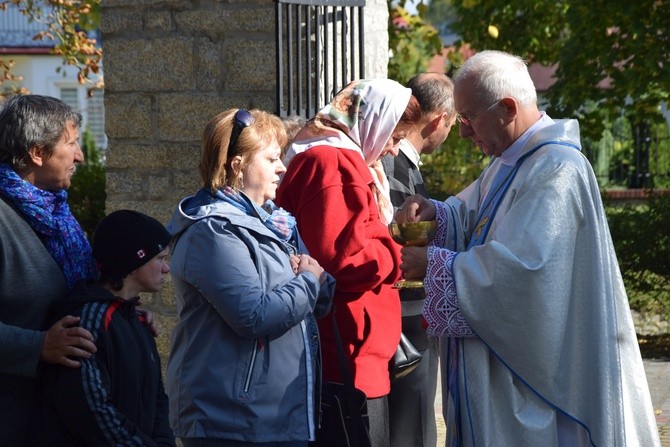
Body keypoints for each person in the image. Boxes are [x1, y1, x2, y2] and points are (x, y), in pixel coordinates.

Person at [395, 50, 660, 446]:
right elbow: (476, 218)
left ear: (506, 108)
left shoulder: (558, 169)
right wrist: (438, 213)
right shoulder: (510, 160)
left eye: (468, 118)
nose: (464, 132)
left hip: (532, 380)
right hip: (500, 365)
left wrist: (435, 266)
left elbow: (526, 275)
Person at [167, 108, 335, 447]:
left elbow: (318, 296)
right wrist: (309, 281)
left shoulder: (278, 223)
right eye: (272, 158)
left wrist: (317, 280)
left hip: (275, 415)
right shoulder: (212, 232)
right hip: (230, 422)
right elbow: (253, 315)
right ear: (238, 165)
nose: (282, 168)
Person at [277, 79, 422, 447]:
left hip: (353, 351)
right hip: (344, 353)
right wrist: (396, 248)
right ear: (372, 121)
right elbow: (350, 260)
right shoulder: (330, 162)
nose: (392, 151)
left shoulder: (343, 160)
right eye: (394, 136)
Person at [0, 94, 98, 444]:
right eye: (71, 144)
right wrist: (39, 346)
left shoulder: (57, 213)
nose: (80, 155)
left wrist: (117, 312)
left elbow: (83, 290)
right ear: (37, 153)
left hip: (62, 416)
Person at [33, 209, 176, 446]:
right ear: (134, 262)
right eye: (159, 258)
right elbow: (90, 409)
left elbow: (157, 397)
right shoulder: (88, 320)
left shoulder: (137, 320)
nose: (166, 268)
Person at [380, 72, 456, 447]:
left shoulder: (403, 164)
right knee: (410, 429)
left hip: (410, 316)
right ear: (440, 119)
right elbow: (395, 240)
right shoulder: (395, 166)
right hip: (405, 316)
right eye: (454, 122)